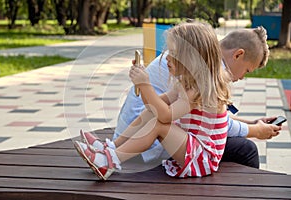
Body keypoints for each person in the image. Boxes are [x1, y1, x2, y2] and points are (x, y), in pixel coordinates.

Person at [74, 20, 232, 180]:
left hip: (203, 158)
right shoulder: (185, 82)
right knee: (151, 113)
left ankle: (109, 161)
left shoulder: (200, 89)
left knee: (159, 124)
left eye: (174, 53)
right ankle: (111, 147)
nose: (167, 58)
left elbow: (165, 116)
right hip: (191, 149)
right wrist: (143, 86)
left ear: (192, 59)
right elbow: (153, 106)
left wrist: (145, 84)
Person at [110, 25, 281, 169]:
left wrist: (253, 124)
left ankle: (111, 151)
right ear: (238, 55)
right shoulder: (202, 72)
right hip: (147, 145)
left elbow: (214, 120)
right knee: (247, 149)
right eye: (247, 71)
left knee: (240, 144)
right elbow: (215, 124)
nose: (242, 77)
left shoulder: (191, 58)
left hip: (141, 135)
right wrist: (256, 131)